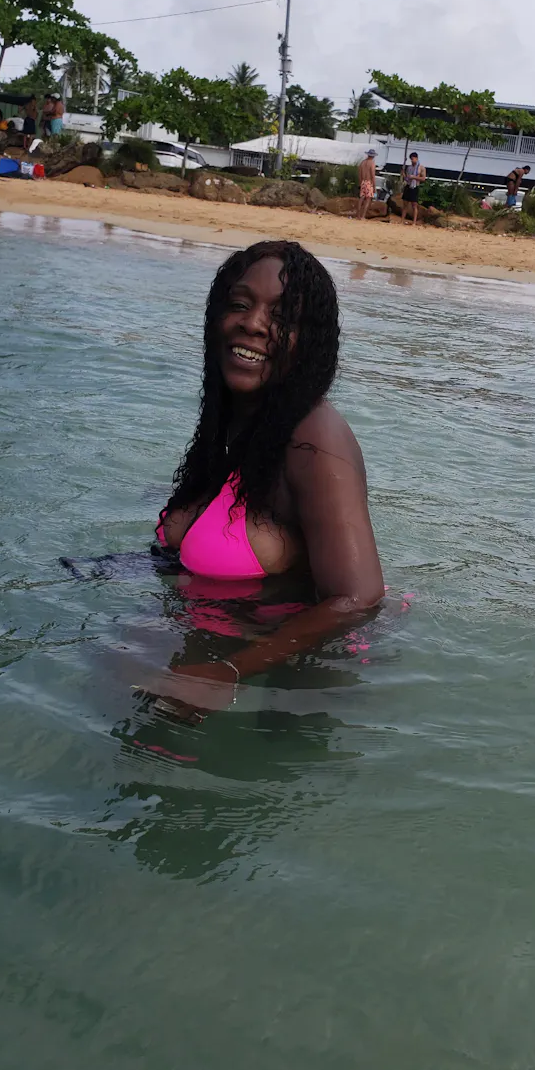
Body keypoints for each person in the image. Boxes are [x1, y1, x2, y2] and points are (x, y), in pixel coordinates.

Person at [147, 240, 384, 715]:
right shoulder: (236, 427)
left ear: (309, 341)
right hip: (212, 659)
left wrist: (227, 673)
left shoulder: (315, 438)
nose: (253, 324)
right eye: (239, 304)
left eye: (281, 317)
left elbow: (358, 599)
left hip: (296, 685)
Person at [402, 151, 426, 225]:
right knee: (405, 204)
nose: (412, 161)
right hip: (408, 185)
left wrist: (414, 177)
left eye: (413, 159)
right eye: (411, 159)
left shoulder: (421, 168)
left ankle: (414, 222)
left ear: (416, 158)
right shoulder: (409, 167)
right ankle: (402, 220)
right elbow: (407, 178)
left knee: (414, 205)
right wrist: (404, 175)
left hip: (415, 186)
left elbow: (423, 178)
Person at [357, 149, 377, 220]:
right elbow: (372, 175)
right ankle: (363, 216)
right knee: (368, 199)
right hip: (369, 182)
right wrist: (374, 186)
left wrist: (360, 182)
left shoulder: (363, 162)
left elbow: (359, 173)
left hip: (363, 181)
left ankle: (358, 215)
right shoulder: (372, 163)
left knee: (361, 198)